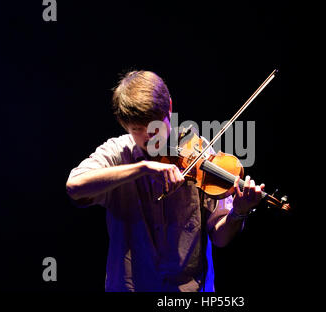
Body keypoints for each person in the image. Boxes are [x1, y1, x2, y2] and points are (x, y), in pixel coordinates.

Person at [66, 70, 265, 292]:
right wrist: (142, 168)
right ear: (125, 126)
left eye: (155, 126)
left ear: (169, 107)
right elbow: (75, 186)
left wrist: (238, 212)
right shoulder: (117, 153)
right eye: (137, 130)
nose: (150, 137)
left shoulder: (199, 153)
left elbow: (220, 237)